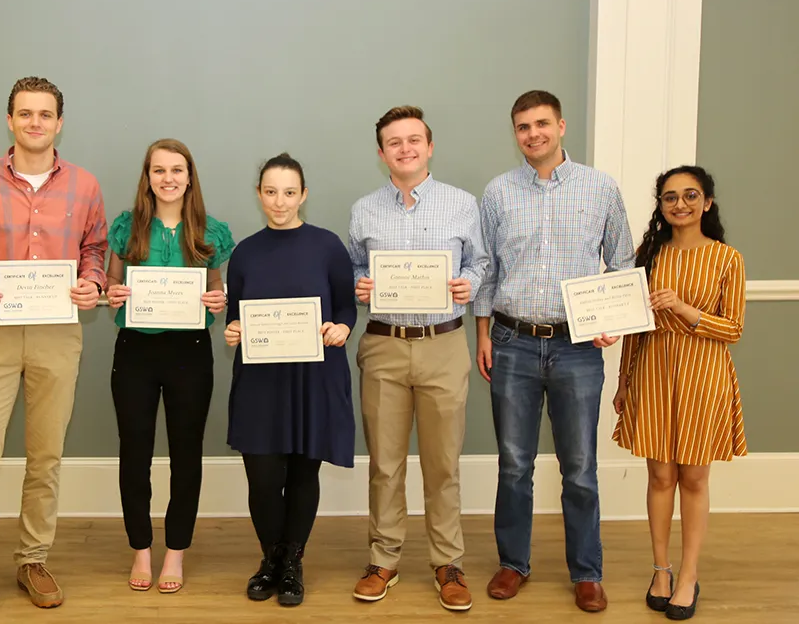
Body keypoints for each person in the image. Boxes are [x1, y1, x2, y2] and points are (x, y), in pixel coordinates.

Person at [0, 76, 108, 623]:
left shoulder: (84, 185)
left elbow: (96, 250)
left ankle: (32, 559)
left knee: (46, 456)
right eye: (24, 113)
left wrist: (92, 283)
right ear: (9, 120)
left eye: (45, 114)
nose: (34, 122)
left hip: (59, 332)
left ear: (59, 123)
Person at [473, 90, 635, 612]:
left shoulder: (599, 188)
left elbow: (623, 260)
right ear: (515, 132)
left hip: (577, 346)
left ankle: (587, 572)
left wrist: (611, 319)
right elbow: (488, 270)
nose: (533, 134)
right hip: (511, 342)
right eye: (523, 126)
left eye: (542, 124)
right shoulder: (497, 193)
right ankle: (512, 563)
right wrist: (481, 335)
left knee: (580, 465)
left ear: (561, 126)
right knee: (514, 463)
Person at [347, 106, 487, 610]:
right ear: (381, 152)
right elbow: (355, 266)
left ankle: (448, 562)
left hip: (444, 344)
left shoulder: (461, 204)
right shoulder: (364, 209)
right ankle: (383, 559)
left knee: (442, 463)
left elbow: (481, 262)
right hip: (383, 346)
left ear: (429, 147)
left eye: (413, 140)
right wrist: (359, 284)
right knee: (385, 464)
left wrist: (467, 283)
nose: (404, 148)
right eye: (393, 141)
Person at [613, 165, 745, 621]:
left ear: (707, 202)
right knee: (660, 477)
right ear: (661, 207)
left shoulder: (728, 258)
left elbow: (734, 329)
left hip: (704, 373)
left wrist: (684, 308)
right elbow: (632, 327)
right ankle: (661, 570)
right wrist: (623, 381)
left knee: (693, 478)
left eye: (690, 196)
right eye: (670, 197)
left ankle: (689, 575)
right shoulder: (649, 255)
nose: (680, 204)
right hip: (653, 369)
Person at [224, 153, 356, 607]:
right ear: (259, 194)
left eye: (289, 192)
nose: (279, 202)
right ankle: (270, 558)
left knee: (303, 473)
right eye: (270, 191)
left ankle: (293, 563)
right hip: (261, 382)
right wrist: (233, 329)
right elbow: (235, 314)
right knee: (262, 479)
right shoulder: (245, 251)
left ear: (303, 195)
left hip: (312, 376)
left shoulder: (328, 245)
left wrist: (342, 328)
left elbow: (345, 307)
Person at [104, 138, 234, 593]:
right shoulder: (126, 228)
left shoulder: (211, 232)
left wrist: (217, 301)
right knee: (134, 453)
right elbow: (111, 284)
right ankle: (141, 549)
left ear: (190, 177)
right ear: (148, 178)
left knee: (186, 453)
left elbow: (218, 290)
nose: (168, 178)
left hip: (190, 353)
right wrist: (112, 294)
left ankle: (175, 553)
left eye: (177, 170)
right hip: (135, 350)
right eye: (159, 171)